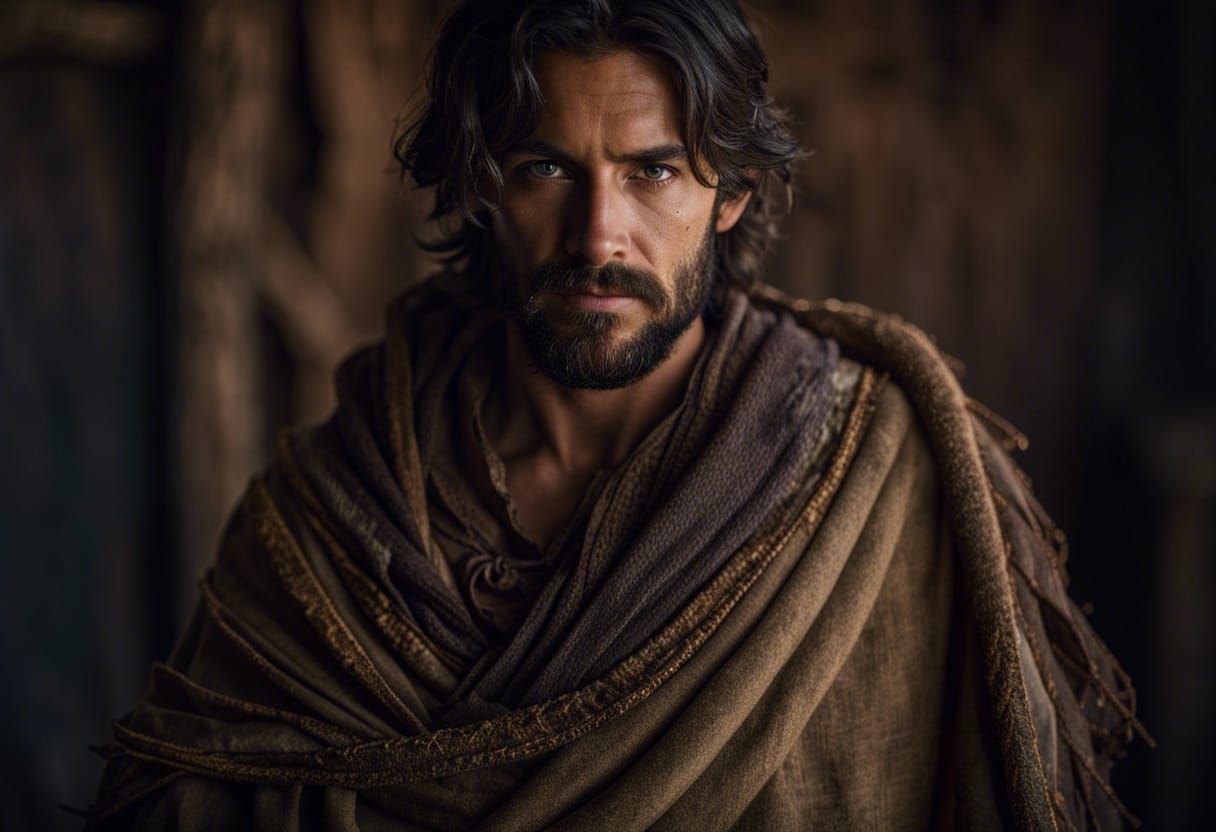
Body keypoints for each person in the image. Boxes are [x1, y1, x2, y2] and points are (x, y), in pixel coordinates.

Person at [86, 1, 1145, 829]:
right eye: (548, 167)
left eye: (653, 172)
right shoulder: (330, 516)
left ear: (728, 192)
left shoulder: (871, 484)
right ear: (482, 188)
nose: (600, 235)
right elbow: (192, 782)